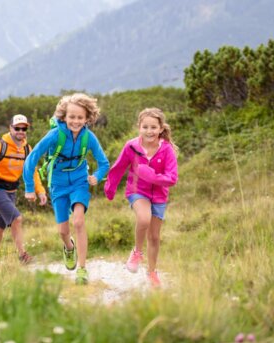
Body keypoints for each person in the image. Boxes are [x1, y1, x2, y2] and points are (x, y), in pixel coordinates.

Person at [22, 93, 109, 285]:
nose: (75, 121)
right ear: (64, 116)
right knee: (63, 231)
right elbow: (32, 157)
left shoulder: (89, 137)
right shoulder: (55, 135)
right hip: (58, 184)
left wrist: (96, 176)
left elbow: (104, 163)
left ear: (87, 118)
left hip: (79, 181)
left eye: (80, 117)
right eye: (72, 117)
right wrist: (30, 187)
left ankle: (83, 269)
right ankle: (69, 248)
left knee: (78, 222)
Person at [104, 108, 178, 287]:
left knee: (154, 237)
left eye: (153, 127)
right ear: (139, 127)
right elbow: (119, 167)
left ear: (160, 129)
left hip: (159, 195)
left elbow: (172, 178)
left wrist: (152, 176)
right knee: (143, 219)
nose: (149, 131)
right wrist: (110, 187)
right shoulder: (131, 146)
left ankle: (152, 272)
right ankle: (137, 252)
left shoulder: (167, 150)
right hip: (137, 191)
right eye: (145, 127)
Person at [0, 114, 48, 264]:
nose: (20, 131)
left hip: (12, 191)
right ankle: (22, 255)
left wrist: (40, 190)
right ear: (10, 128)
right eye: (17, 128)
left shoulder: (27, 149)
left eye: (24, 128)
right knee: (17, 218)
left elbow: (32, 171)